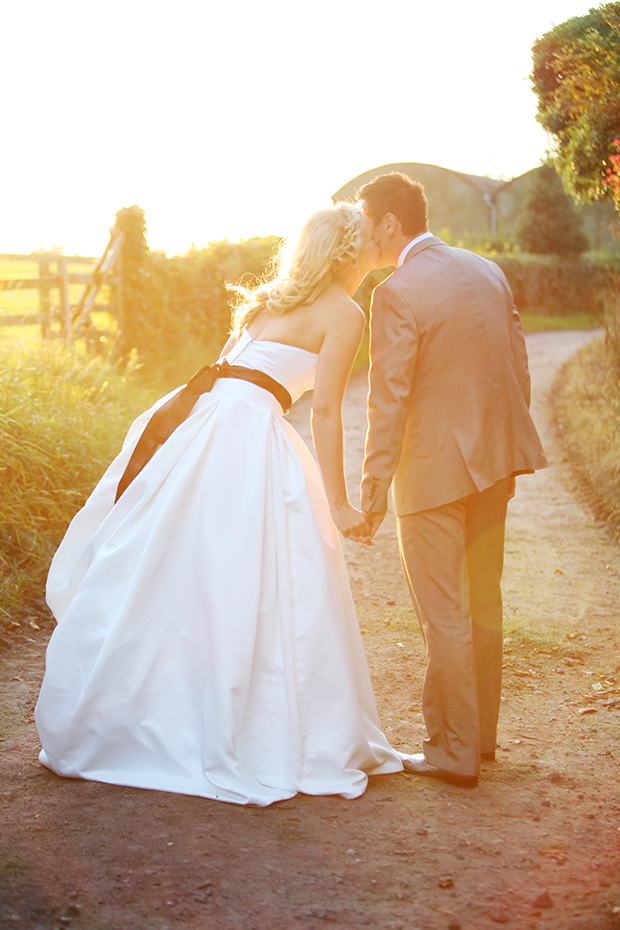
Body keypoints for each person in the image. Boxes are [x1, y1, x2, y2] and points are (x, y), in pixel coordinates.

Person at [35, 202, 403, 806]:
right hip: (250, 436)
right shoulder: (344, 313)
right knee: (247, 576)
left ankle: (140, 714)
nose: (374, 249)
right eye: (367, 240)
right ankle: (238, 722)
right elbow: (330, 409)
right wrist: (337, 502)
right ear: (347, 252)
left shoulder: (267, 304)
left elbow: (237, 372)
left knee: (173, 566)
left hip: (204, 426)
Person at [356, 172, 548, 788]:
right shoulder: (485, 269)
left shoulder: (395, 292)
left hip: (434, 473)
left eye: (365, 222)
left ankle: (451, 751)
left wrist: (372, 489)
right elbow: (516, 363)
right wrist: (503, 438)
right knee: (483, 599)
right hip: (494, 462)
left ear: (390, 223)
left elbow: (388, 402)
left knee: (444, 613)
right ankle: (480, 739)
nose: (361, 234)